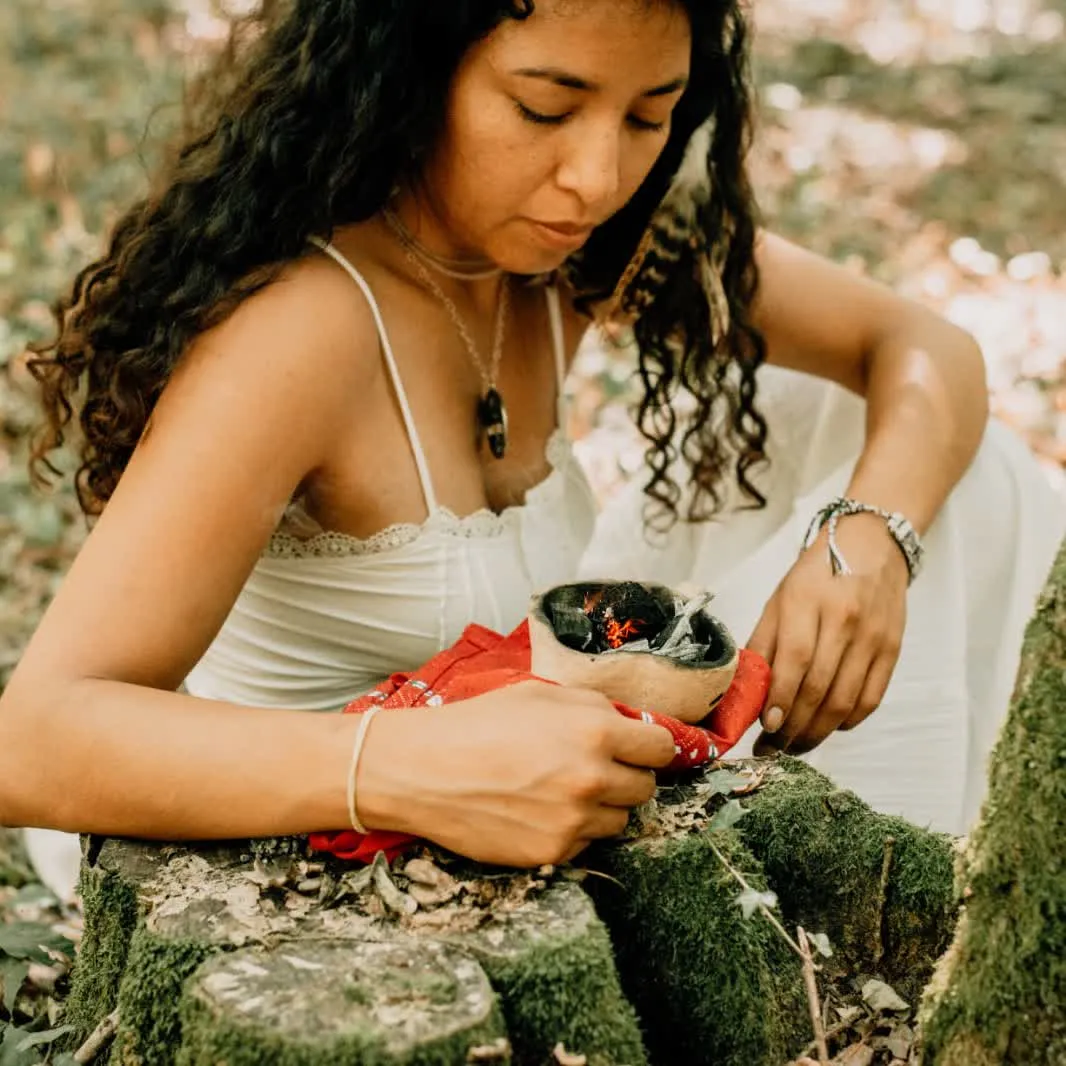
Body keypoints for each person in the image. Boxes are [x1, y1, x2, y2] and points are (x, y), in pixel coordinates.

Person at [1, 0, 1061, 902]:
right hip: (318, 855)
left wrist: (868, 542)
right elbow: (33, 741)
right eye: (543, 108)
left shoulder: (591, 248)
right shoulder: (303, 330)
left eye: (650, 115)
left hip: (549, 748)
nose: (594, 175)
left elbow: (920, 347)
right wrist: (410, 771)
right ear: (414, 68)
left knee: (950, 482)